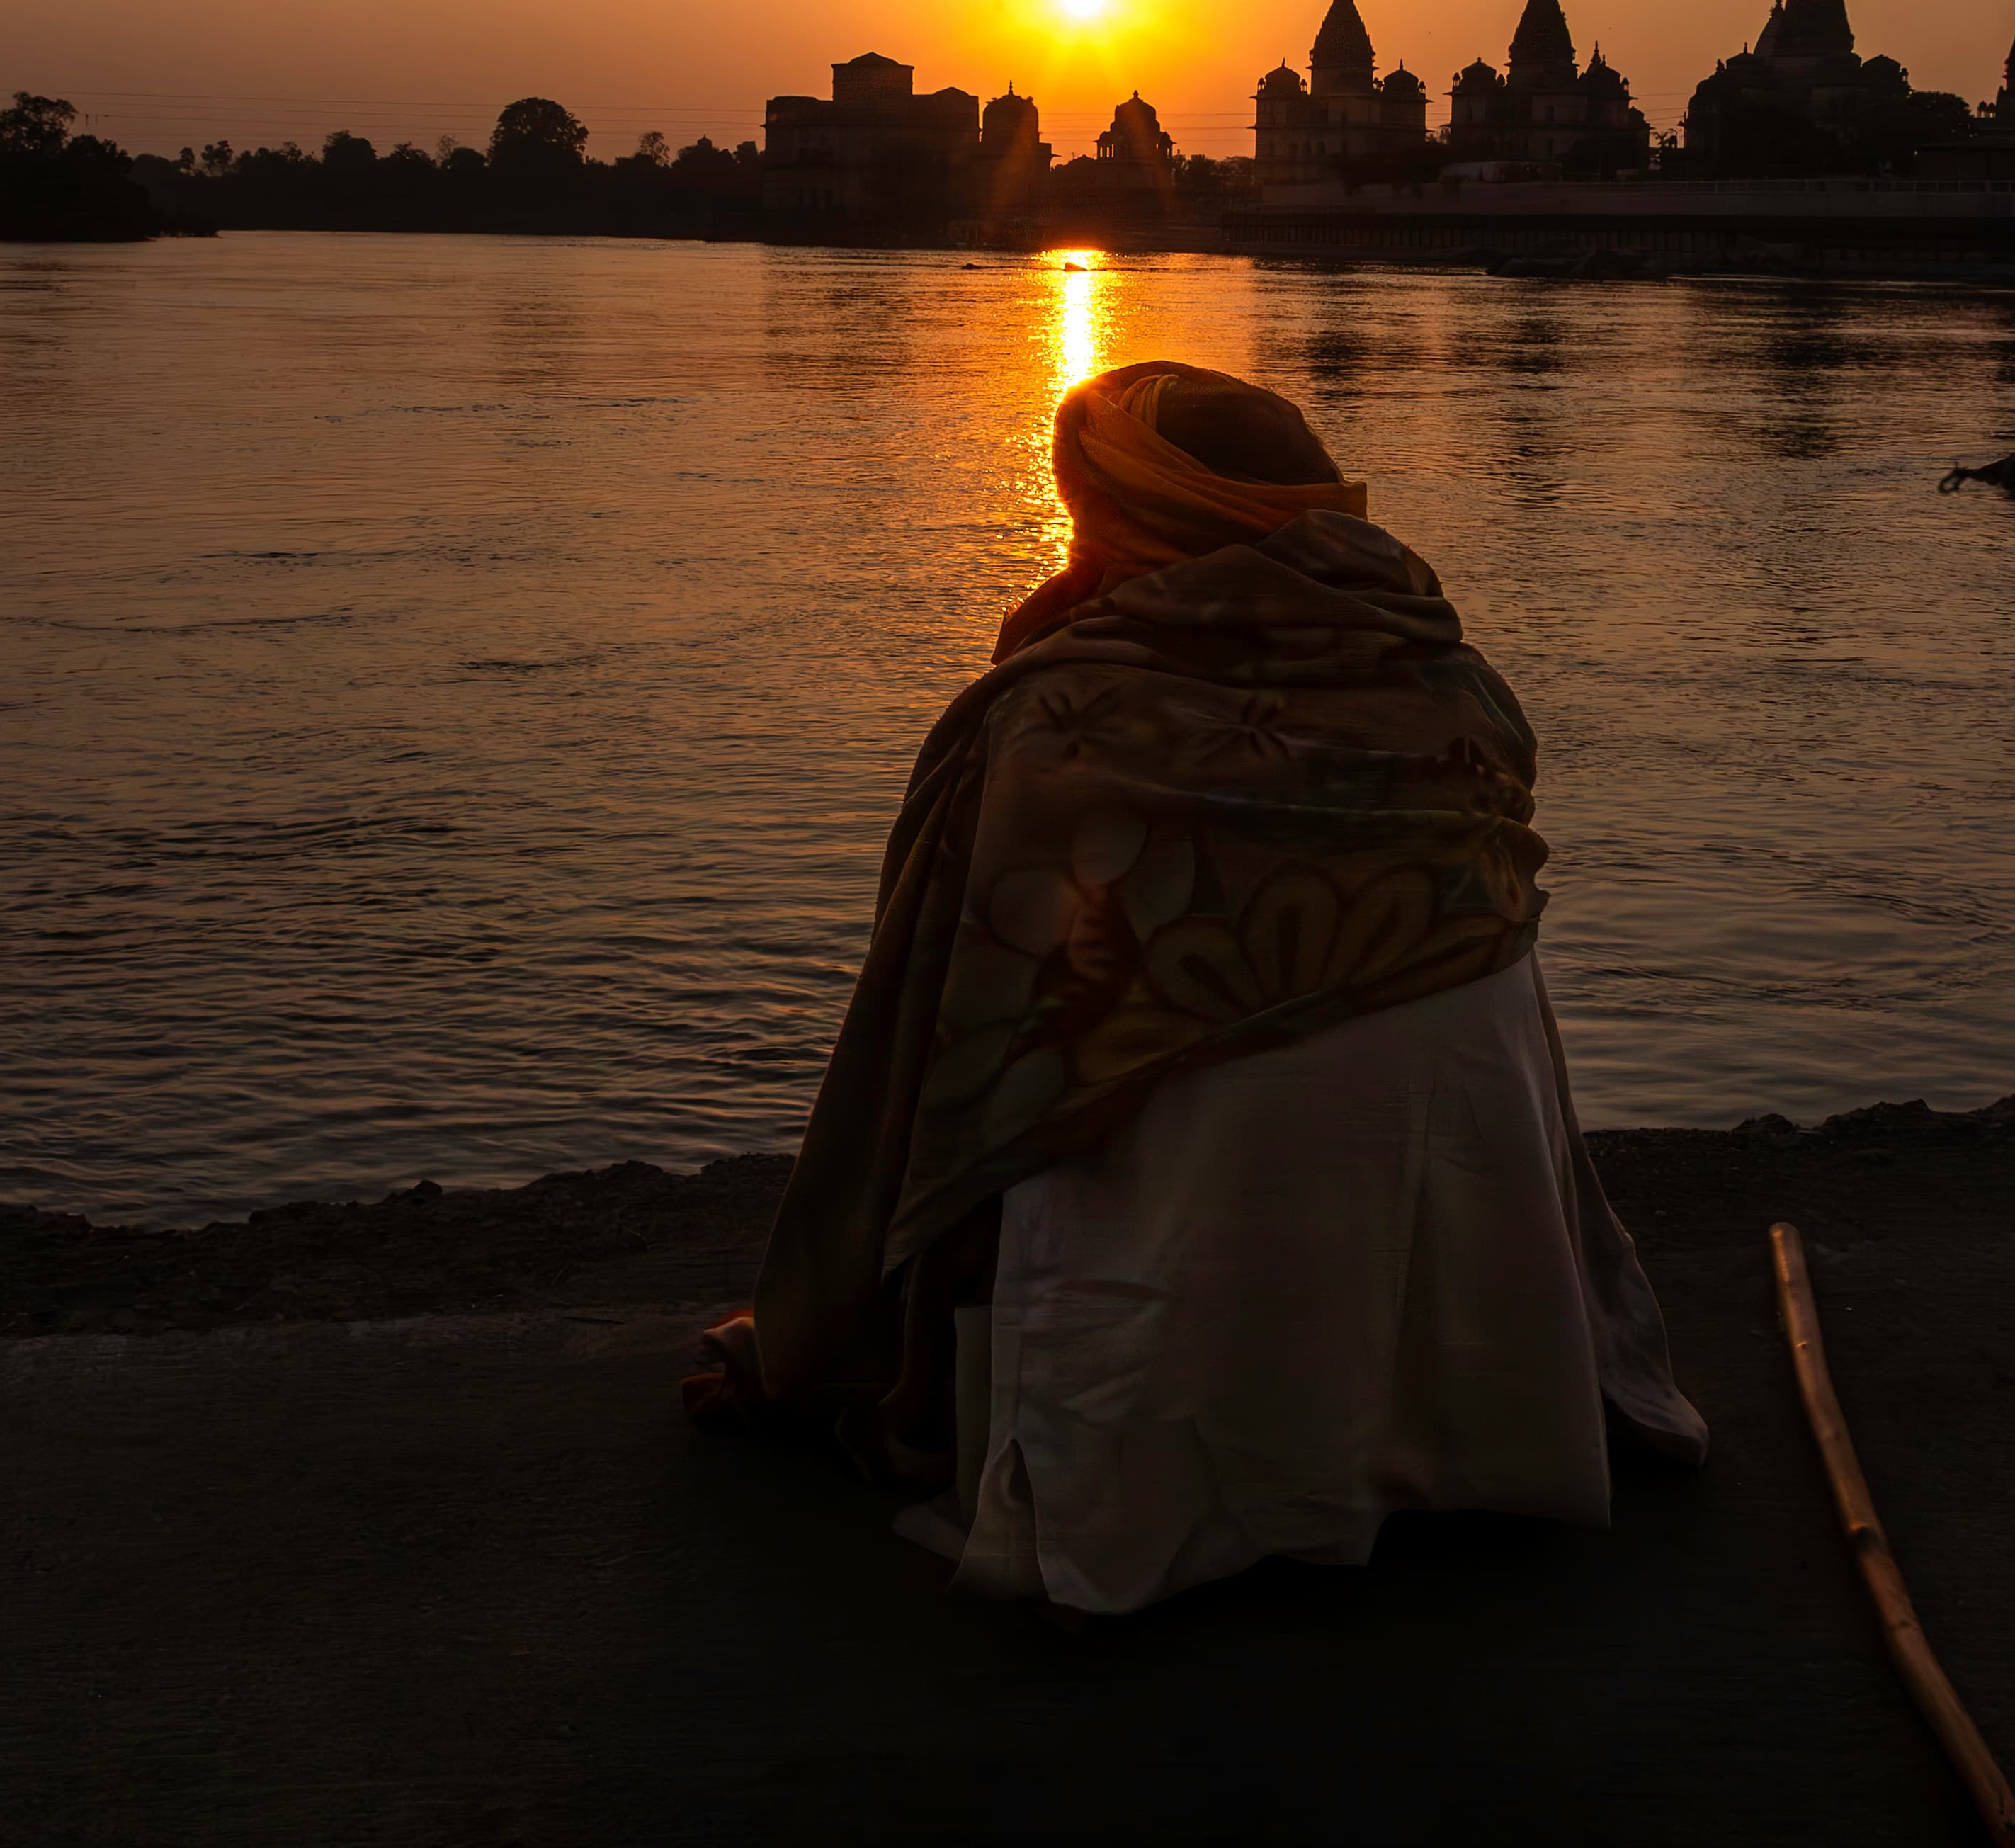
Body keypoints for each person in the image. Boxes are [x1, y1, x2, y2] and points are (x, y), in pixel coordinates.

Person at [686, 357, 1704, 1612]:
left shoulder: (1072, 702)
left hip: (1203, 1169)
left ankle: (1130, 1446)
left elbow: (960, 1003)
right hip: (1466, 1167)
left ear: (1127, 515)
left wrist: (852, 1315)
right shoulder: (1448, 670)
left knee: (1093, 1063)